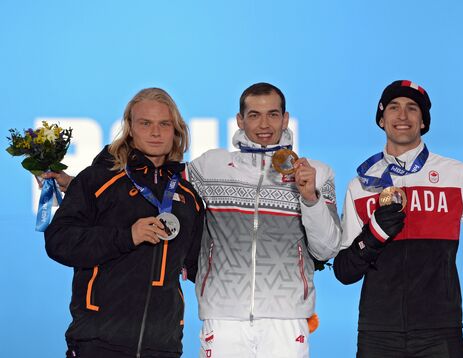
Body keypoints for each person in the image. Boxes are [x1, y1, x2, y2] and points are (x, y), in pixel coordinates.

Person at [333, 80, 463, 357]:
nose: (402, 116)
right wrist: (374, 235)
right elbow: (344, 271)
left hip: (439, 333)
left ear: (424, 122)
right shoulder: (361, 184)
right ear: (381, 119)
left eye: (412, 108)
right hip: (378, 335)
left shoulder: (453, 174)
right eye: (393, 107)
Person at [44, 88, 205, 358]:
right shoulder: (97, 180)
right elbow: (59, 242)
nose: (156, 132)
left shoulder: (189, 196)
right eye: (145, 123)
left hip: (162, 345)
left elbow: (200, 266)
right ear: (130, 128)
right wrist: (126, 236)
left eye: (164, 124)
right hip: (98, 342)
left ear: (176, 130)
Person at [187, 82, 341, 358]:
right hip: (223, 315)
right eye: (254, 115)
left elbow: (326, 249)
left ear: (285, 118)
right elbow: (163, 191)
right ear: (239, 120)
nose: (264, 124)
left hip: (287, 316)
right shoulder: (209, 167)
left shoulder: (317, 172)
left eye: (272, 114)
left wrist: (310, 198)